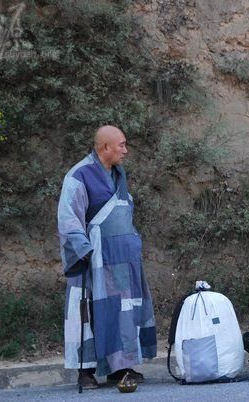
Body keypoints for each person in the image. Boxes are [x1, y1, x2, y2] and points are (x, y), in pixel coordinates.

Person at [57, 125, 157, 388]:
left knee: (122, 311)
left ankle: (120, 367)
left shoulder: (118, 175)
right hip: (94, 258)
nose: (126, 150)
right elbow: (68, 218)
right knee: (87, 312)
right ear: (105, 148)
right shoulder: (79, 175)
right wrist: (85, 251)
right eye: (121, 145)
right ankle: (85, 371)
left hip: (122, 258)